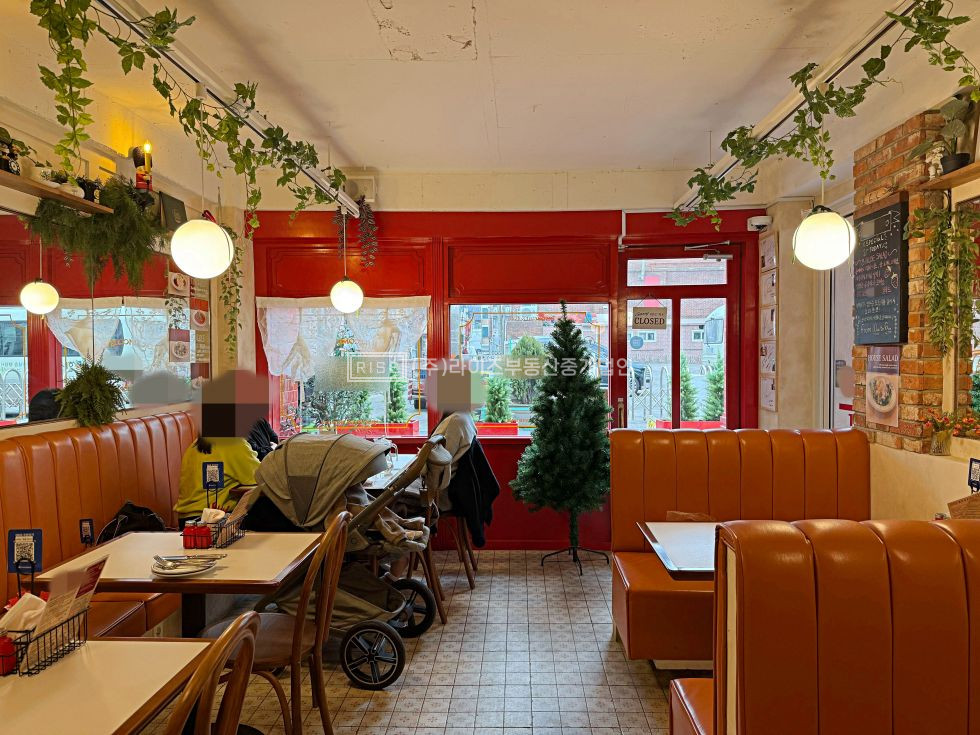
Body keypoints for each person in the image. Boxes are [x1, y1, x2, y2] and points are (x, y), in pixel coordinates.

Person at [174, 435, 261, 524]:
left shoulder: (195, 445)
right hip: (215, 520)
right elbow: (263, 476)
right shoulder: (233, 444)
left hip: (187, 521)